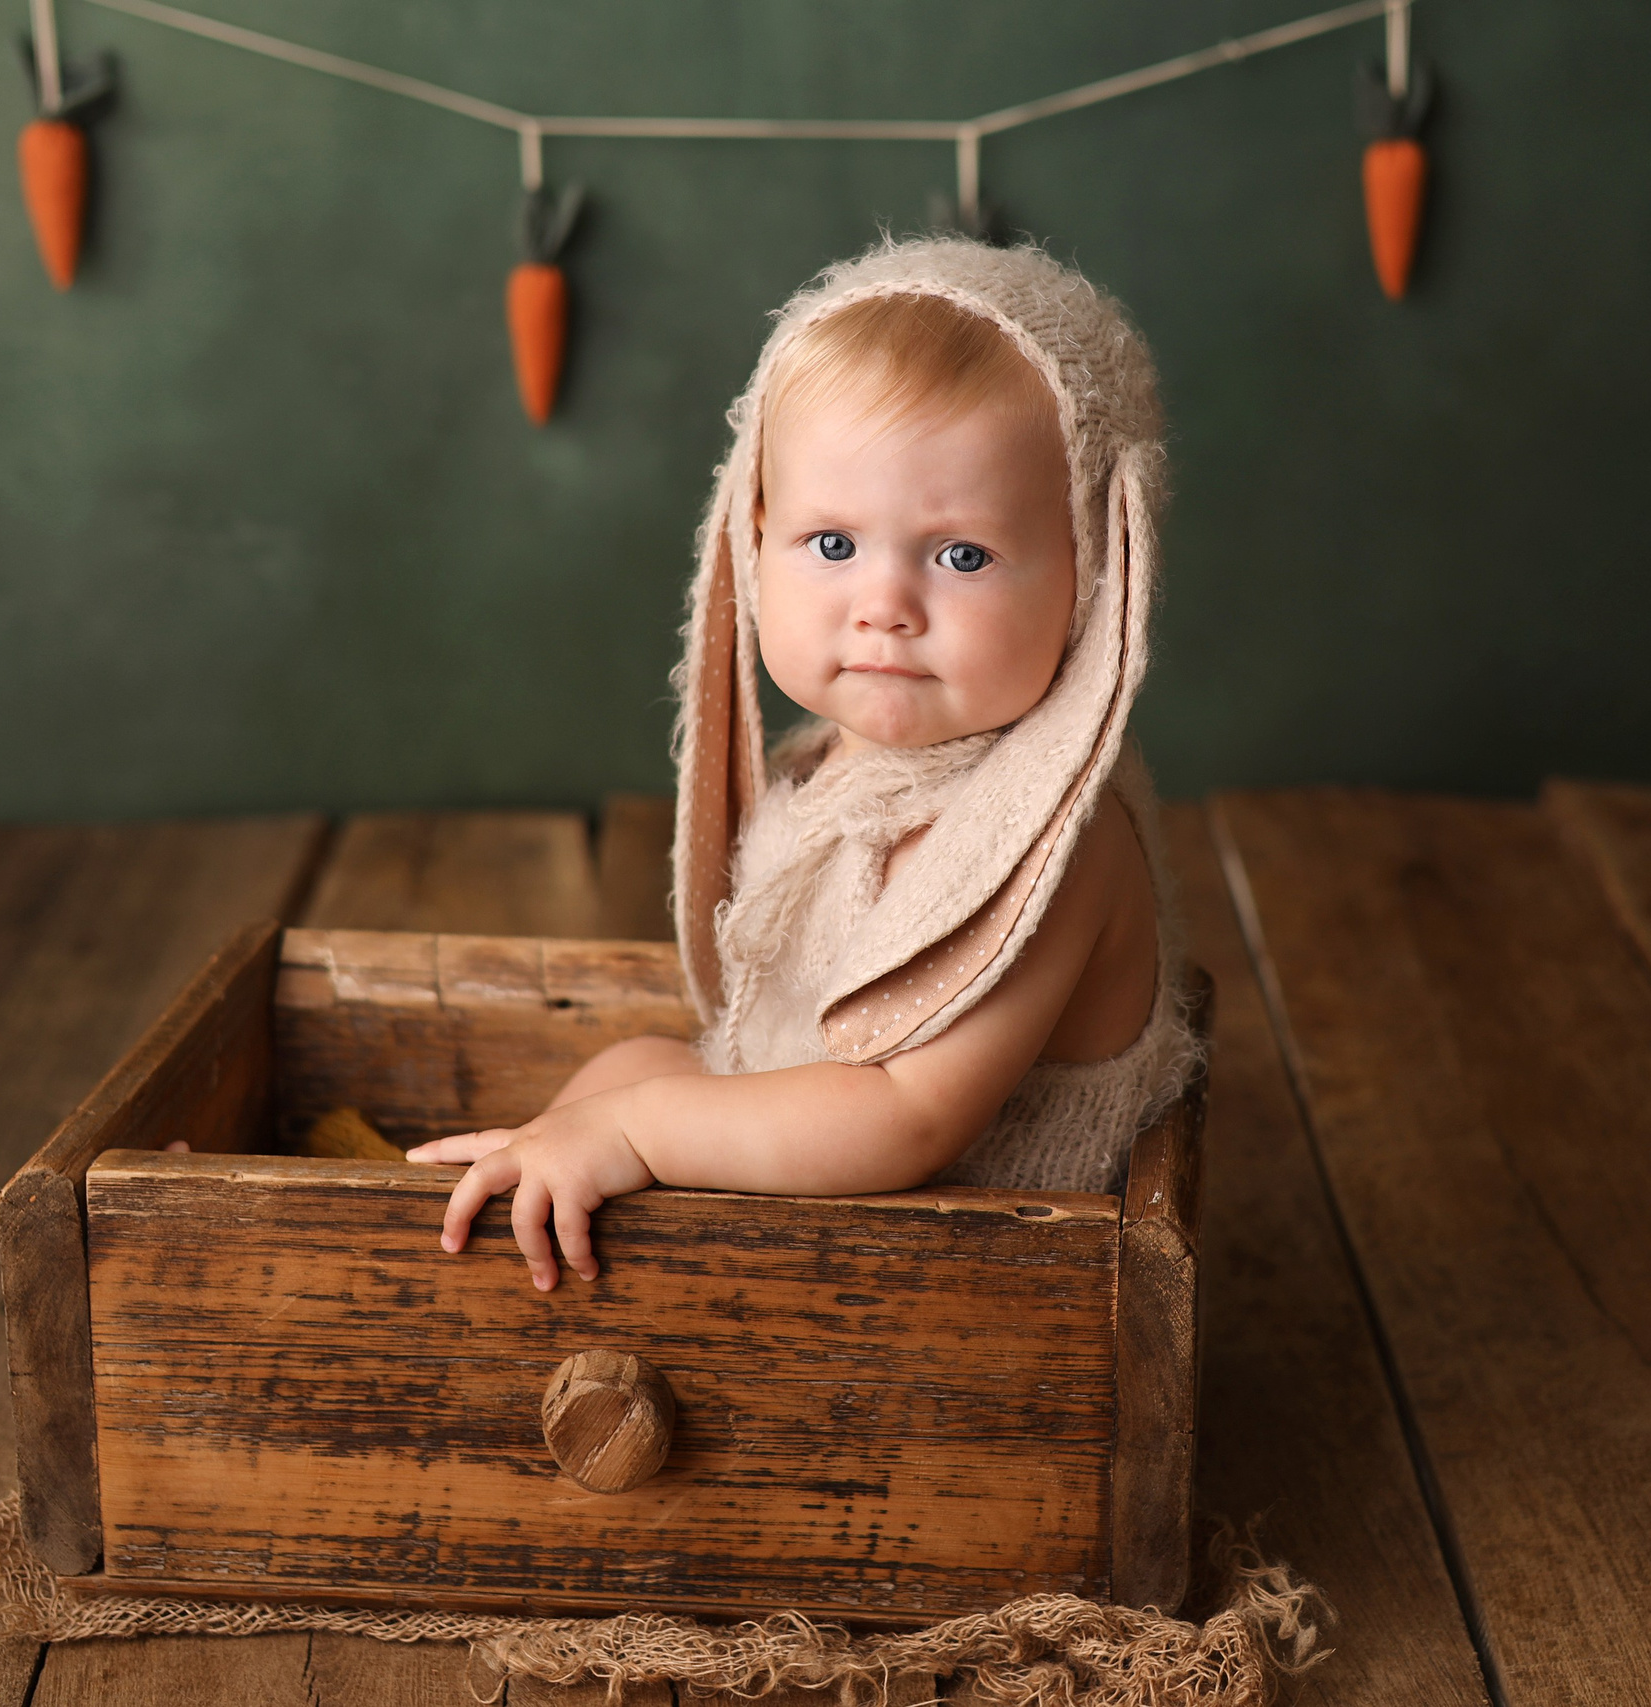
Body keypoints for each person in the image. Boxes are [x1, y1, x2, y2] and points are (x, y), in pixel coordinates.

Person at [407, 235, 1198, 1290]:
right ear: (754, 537)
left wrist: (640, 1132)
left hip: (961, 1250)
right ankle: (488, 1235)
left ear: (1094, 575)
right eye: (833, 545)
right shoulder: (834, 765)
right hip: (823, 1167)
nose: (885, 606)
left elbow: (904, 1118)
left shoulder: (1054, 840)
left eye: (962, 555)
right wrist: (618, 1118)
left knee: (635, 1105)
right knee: (626, 1069)